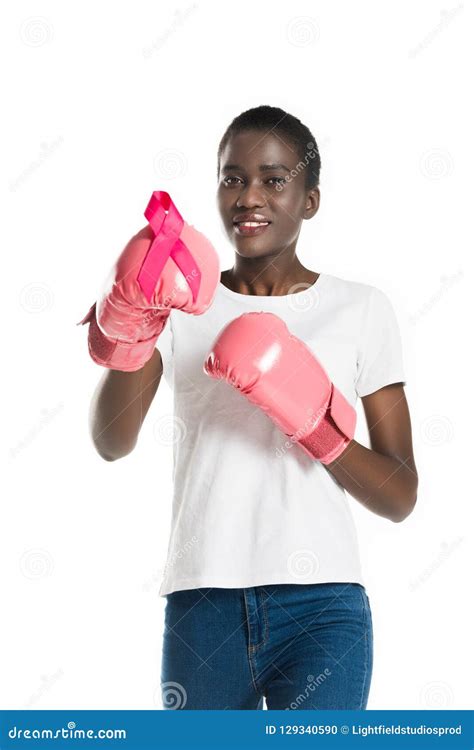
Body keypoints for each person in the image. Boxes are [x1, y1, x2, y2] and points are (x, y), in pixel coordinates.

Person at [84, 105, 418, 710]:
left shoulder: (362, 308)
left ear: (310, 199)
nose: (249, 196)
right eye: (232, 177)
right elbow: (111, 441)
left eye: (274, 178)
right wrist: (134, 322)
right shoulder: (185, 306)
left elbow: (400, 495)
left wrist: (318, 427)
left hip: (323, 606)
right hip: (202, 599)